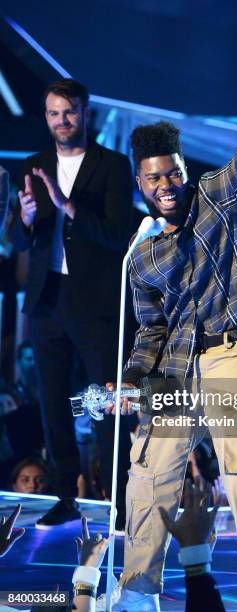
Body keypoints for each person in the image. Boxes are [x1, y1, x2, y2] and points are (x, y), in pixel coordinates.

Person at [106, 31, 237, 612]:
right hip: (174, 370)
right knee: (148, 477)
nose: (165, 186)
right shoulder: (142, 256)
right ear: (140, 184)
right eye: (153, 178)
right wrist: (133, 382)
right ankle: (139, 596)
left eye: (172, 174)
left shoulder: (221, 195)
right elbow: (149, 332)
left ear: (183, 170)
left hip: (235, 351)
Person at [8, 78, 142, 530]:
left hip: (97, 303)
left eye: (69, 112)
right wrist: (25, 221)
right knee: (55, 404)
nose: (61, 121)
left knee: (105, 406)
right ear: (45, 117)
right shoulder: (34, 164)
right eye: (53, 113)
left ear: (85, 114)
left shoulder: (114, 166)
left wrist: (66, 205)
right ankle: (66, 495)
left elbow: (116, 233)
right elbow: (17, 238)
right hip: (48, 302)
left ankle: (120, 503)